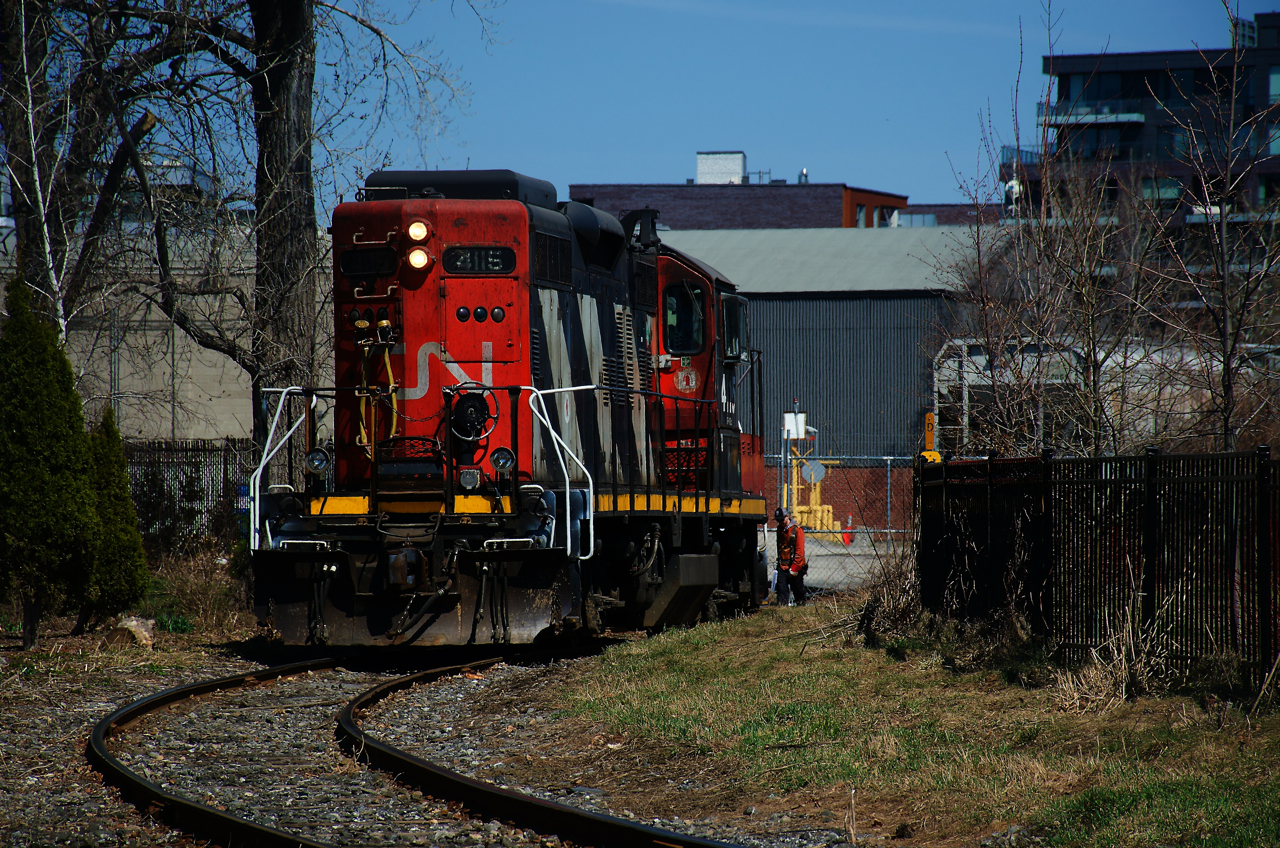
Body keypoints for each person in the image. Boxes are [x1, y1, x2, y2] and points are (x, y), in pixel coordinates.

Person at [773, 507, 807, 606]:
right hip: (782, 565)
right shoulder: (779, 529)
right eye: (778, 520)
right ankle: (783, 610)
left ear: (787, 517)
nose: (780, 522)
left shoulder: (797, 530)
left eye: (782, 520)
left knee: (797, 589)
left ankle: (801, 608)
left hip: (795, 566)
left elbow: (800, 552)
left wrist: (794, 568)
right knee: (781, 590)